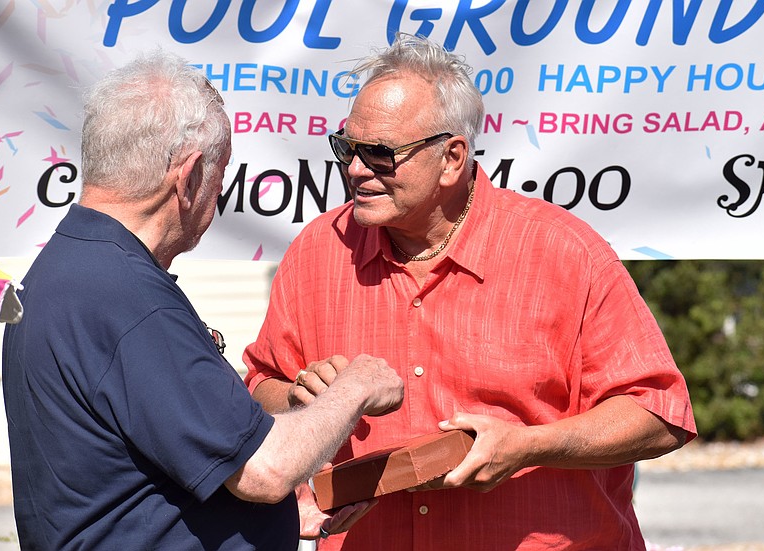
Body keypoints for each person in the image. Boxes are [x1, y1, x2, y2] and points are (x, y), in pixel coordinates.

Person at [243, 34, 697, 550]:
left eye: (379, 154)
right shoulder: (318, 251)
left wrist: (528, 446)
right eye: (345, 147)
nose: (355, 169)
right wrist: (303, 396)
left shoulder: (563, 251)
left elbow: (659, 415)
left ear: (452, 158)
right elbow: (264, 382)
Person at [1, 49, 404, 551]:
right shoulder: (127, 298)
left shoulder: (71, 265)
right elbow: (265, 469)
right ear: (189, 177)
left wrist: (275, 513)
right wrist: (358, 386)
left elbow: (148, 461)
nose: (218, 195)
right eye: (221, 175)